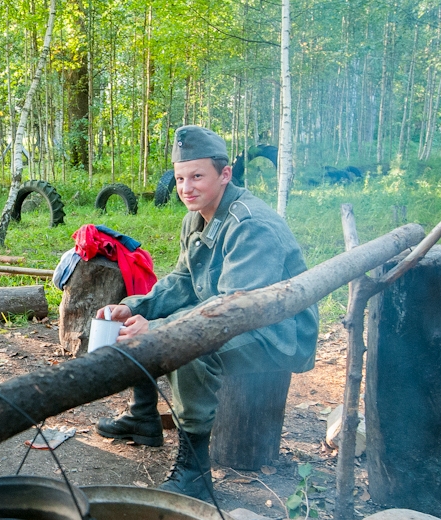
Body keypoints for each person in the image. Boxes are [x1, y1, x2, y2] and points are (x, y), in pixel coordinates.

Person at [94, 126, 318, 500]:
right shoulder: (196, 216)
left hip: (277, 331)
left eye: (197, 176)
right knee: (135, 325)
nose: (186, 188)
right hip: (230, 311)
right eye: (180, 178)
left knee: (188, 350)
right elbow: (183, 281)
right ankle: (144, 416)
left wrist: (161, 328)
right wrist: (134, 306)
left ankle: (195, 473)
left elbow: (232, 311)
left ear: (225, 174)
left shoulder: (250, 224)